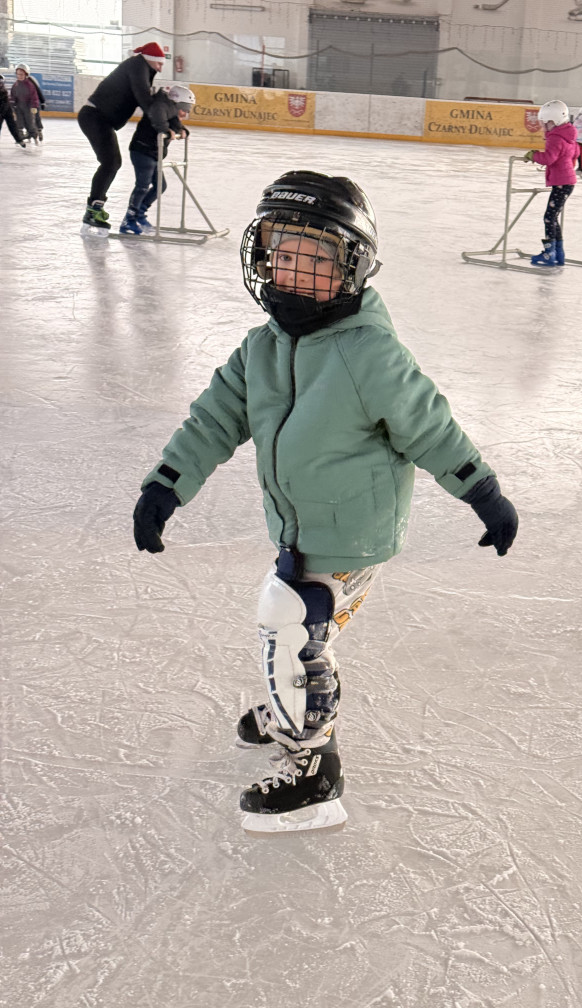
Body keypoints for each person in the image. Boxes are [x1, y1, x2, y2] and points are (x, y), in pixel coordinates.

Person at [132, 170, 519, 834]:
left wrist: (483, 493)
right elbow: (213, 422)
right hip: (300, 528)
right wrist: (166, 485)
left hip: (353, 532)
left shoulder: (368, 352)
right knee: (298, 631)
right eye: (284, 255)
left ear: (352, 267)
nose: (295, 273)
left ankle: (315, 770)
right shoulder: (261, 348)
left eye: (316, 261)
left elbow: (430, 426)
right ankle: (297, 701)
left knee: (288, 621)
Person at [77, 41, 167, 232]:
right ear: (150, 59)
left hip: (101, 119)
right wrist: (161, 121)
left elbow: (146, 99)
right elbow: (144, 98)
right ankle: (93, 210)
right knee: (111, 162)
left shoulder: (141, 68)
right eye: (159, 64)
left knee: (112, 162)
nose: (160, 69)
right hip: (94, 117)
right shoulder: (137, 65)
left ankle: (94, 208)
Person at [121, 85, 195, 235]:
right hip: (142, 150)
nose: (186, 113)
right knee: (142, 186)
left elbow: (175, 122)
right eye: (185, 108)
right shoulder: (160, 105)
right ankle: (128, 220)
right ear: (177, 103)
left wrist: (182, 130)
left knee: (160, 186)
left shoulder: (171, 109)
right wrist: (165, 130)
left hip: (153, 153)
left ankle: (140, 214)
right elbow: (158, 118)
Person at [523, 99, 578, 266]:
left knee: (549, 217)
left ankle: (549, 253)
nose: (543, 127)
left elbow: (549, 158)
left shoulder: (555, 138)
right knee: (553, 217)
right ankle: (558, 253)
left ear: (554, 122)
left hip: (562, 182)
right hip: (567, 181)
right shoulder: (569, 136)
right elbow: (574, 155)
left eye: (545, 123)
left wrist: (533, 156)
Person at [10, 63, 40, 145]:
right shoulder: (15, 85)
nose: (19, 76)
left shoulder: (29, 85)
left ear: (26, 74)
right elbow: (12, 96)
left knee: (29, 122)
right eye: (18, 74)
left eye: (22, 74)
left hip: (28, 107)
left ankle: (34, 136)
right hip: (19, 107)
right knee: (19, 122)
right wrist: (12, 105)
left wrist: (34, 106)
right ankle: (20, 137)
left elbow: (34, 96)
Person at [0, 74, 27, 149]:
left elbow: (4, 105)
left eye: (1, 82)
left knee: (12, 125)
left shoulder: (3, 92)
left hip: (6, 111)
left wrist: (1, 114)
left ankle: (19, 140)